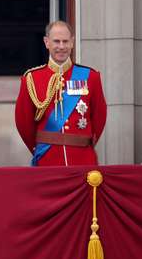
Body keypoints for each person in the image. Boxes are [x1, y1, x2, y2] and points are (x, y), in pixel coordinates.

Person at [14, 21, 107, 166]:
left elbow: (99, 117)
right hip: (48, 158)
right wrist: (41, 146)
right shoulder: (32, 78)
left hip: (82, 159)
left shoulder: (90, 76)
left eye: (66, 41)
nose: (61, 47)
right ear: (46, 42)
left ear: (72, 42)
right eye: (56, 41)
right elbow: (23, 122)